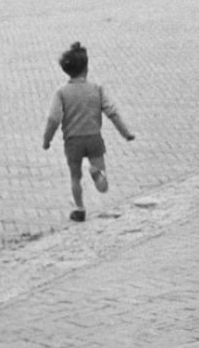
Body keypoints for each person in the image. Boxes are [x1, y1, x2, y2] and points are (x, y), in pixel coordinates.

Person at [41, 42, 136, 223]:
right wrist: (125, 133)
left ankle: (79, 209)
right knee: (103, 185)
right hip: (94, 138)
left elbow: (53, 119)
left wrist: (47, 140)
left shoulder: (61, 93)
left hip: (73, 141)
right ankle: (96, 173)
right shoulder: (96, 89)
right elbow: (112, 112)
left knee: (75, 177)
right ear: (87, 67)